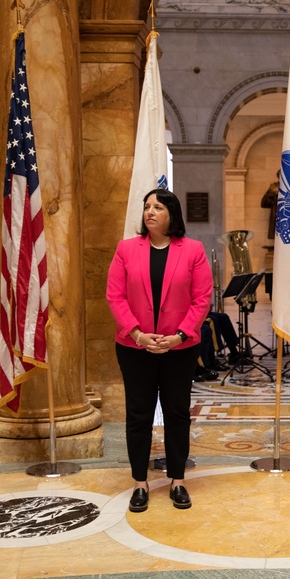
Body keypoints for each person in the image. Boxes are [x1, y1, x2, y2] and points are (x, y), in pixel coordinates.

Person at [106, 188, 212, 513]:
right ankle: (140, 483)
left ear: (171, 214)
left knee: (177, 413)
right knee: (138, 415)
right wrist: (137, 334)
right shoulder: (126, 250)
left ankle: (177, 480)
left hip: (178, 348)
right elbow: (115, 296)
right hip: (134, 347)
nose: (150, 211)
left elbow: (202, 298)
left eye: (158, 207)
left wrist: (180, 336)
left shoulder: (192, 250)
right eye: (147, 206)